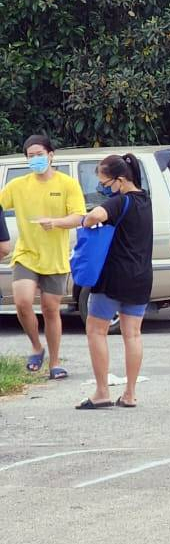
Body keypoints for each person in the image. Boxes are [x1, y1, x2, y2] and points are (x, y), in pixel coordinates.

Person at [0, 135, 86, 380]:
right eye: (30, 156)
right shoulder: (18, 185)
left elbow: (79, 216)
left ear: (50, 155)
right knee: (22, 302)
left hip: (55, 258)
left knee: (50, 310)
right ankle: (36, 347)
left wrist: (56, 223)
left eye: (39, 154)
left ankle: (55, 363)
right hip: (26, 254)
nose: (35, 159)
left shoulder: (67, 184)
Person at [74, 154, 152, 410]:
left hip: (113, 277)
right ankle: (130, 394)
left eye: (105, 183)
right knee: (133, 334)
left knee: (96, 331)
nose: (103, 188)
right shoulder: (145, 201)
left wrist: (85, 220)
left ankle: (101, 392)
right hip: (141, 278)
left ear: (119, 180)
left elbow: (96, 215)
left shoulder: (120, 201)